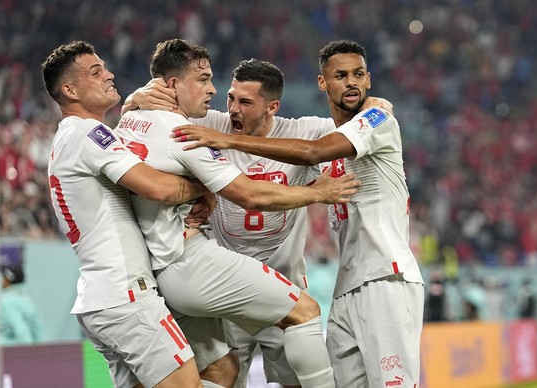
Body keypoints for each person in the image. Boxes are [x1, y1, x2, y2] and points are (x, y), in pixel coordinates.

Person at [172, 39, 425, 388]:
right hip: (341, 287)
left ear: (369, 79)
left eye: (358, 74)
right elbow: (159, 106)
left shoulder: (360, 126)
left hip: (382, 276)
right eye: (340, 75)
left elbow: (311, 152)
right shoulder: (215, 123)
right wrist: (139, 99)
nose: (350, 82)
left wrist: (226, 141)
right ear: (323, 82)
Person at [114, 38, 361, 388]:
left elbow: (357, 123)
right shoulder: (206, 125)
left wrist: (377, 104)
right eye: (230, 97)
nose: (232, 108)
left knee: (270, 375)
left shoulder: (304, 133)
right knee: (230, 372)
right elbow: (165, 111)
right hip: (221, 279)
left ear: (272, 106)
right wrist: (134, 98)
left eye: (245, 102)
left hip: (279, 274)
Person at [42, 40, 212, 388]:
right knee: (188, 383)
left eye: (104, 67)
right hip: (126, 295)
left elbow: (123, 145)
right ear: (70, 90)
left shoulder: (71, 137)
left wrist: (133, 103)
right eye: (95, 71)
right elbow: (158, 188)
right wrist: (206, 184)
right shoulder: (89, 132)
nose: (109, 74)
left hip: (102, 297)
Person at [0, 262, 43, 345]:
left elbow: (20, 328)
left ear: (8, 280)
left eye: (4, 278)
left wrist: (27, 352)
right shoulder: (27, 300)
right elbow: (38, 328)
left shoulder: (7, 302)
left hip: (12, 351)